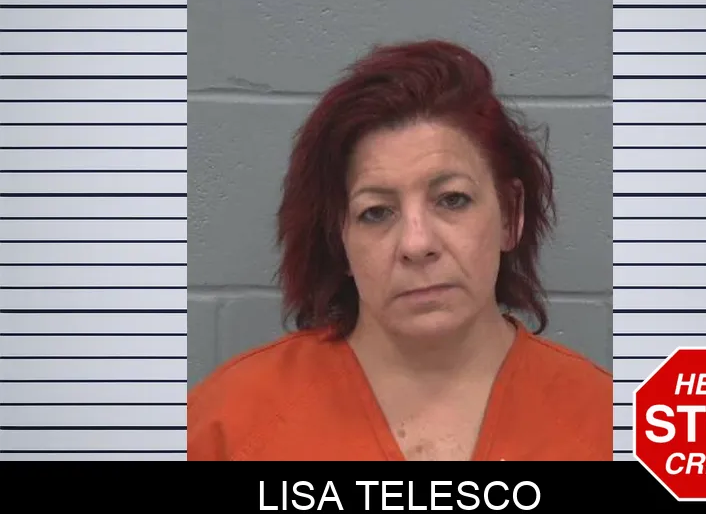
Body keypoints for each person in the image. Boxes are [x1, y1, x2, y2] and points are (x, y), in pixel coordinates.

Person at [187, 39, 612, 461]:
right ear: (339, 239)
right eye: (376, 213)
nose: (416, 244)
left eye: (452, 200)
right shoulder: (226, 424)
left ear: (510, 215)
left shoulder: (606, 424)